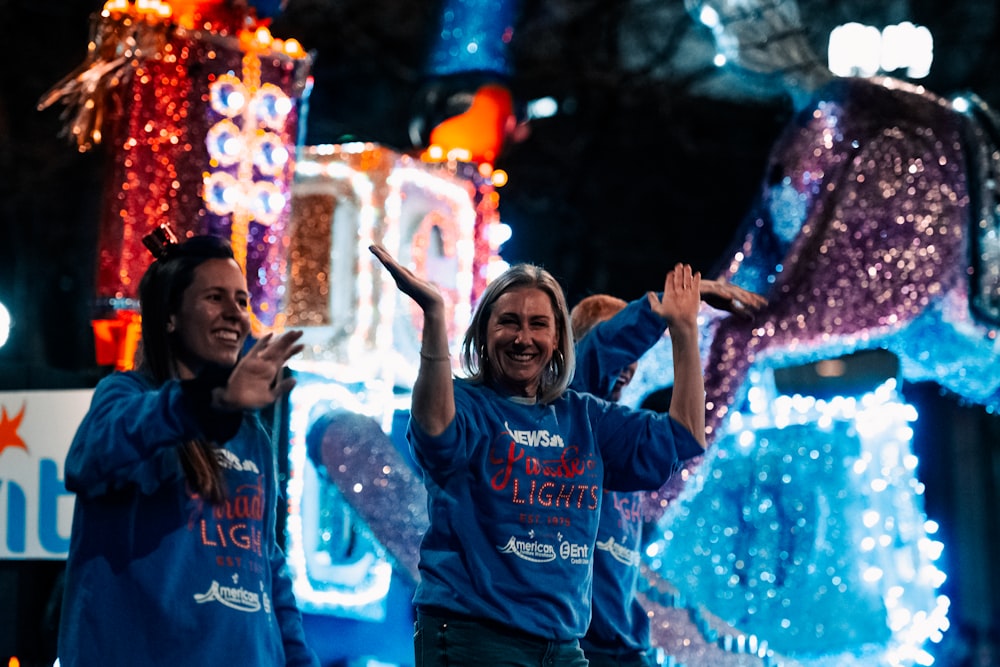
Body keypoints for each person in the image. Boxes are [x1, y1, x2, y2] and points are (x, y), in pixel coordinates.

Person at [369, 243, 707, 667]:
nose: (523, 338)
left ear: (558, 340)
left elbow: (685, 436)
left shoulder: (584, 416)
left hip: (562, 647)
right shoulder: (468, 405)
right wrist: (435, 317)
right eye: (508, 322)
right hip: (476, 638)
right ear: (483, 332)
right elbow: (435, 433)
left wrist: (685, 331)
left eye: (538, 325)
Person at [58, 230, 319, 667]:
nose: (235, 314)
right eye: (215, 298)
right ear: (169, 317)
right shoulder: (125, 396)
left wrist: (297, 660)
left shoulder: (251, 433)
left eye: (241, 301)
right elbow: (88, 460)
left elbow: (266, 566)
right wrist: (204, 402)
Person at [570, 281, 765, 667]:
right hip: (577, 649)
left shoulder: (625, 433)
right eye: (622, 342)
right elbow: (598, 355)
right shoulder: (569, 417)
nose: (628, 363)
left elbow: (685, 438)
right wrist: (663, 310)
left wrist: (689, 325)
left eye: (636, 351)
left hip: (625, 646)